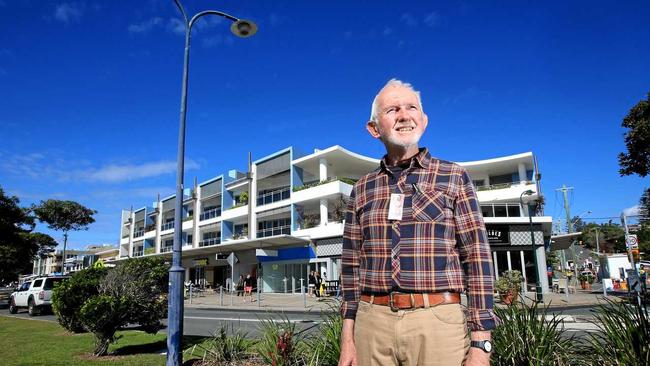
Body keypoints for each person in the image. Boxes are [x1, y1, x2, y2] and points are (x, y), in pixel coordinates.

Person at [339, 79, 497, 366]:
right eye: (392, 109)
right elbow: (351, 266)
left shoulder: (453, 176)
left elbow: (477, 257)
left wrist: (481, 343)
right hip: (371, 324)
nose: (403, 115)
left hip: (438, 323)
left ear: (423, 120)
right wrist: (347, 339)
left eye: (411, 107)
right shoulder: (361, 189)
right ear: (374, 129)